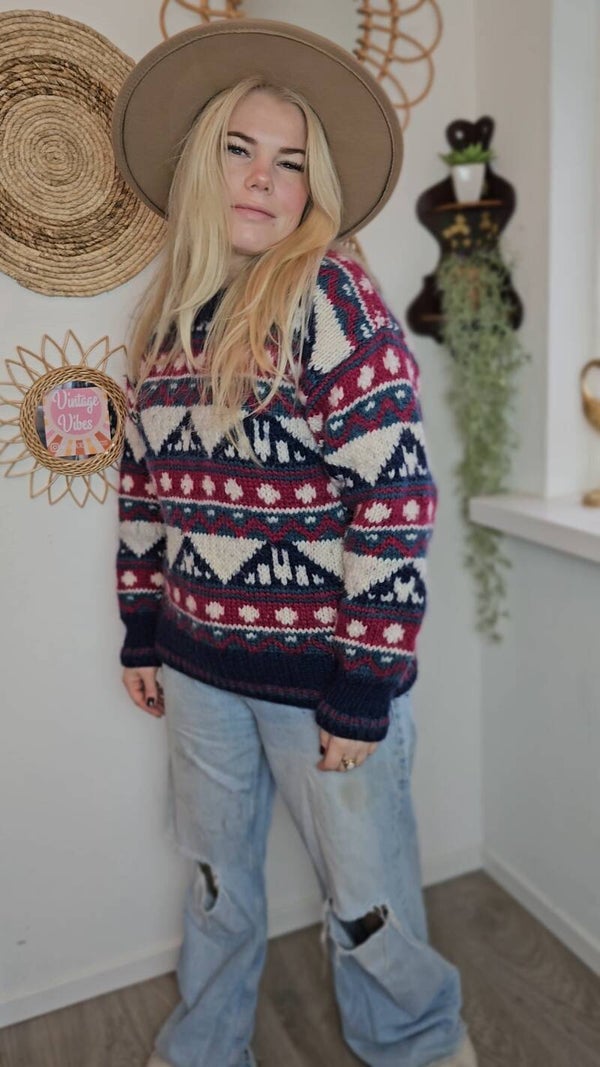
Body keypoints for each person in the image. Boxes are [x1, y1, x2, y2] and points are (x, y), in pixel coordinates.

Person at [112, 19, 478, 1067]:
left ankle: (417, 1045)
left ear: (313, 186)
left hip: (324, 679)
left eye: (290, 161)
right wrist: (141, 628)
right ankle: (204, 1047)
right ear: (201, 163)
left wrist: (364, 683)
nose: (262, 179)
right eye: (240, 150)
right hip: (198, 671)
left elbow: (395, 498)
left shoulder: (332, 298)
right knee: (215, 881)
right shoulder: (165, 321)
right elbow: (145, 488)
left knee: (366, 898)